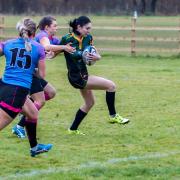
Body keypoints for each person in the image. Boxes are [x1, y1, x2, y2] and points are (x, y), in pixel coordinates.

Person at [60, 16, 129, 135]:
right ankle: (113, 116)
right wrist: (50, 53)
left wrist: (97, 57)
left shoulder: (88, 38)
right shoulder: (67, 39)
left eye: (90, 28)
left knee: (89, 103)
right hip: (77, 77)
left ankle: (72, 129)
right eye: (87, 28)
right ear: (78, 27)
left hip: (84, 74)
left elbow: (93, 53)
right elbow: (59, 49)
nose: (89, 30)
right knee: (111, 86)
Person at [12, 16, 75, 139]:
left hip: (35, 73)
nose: (57, 28)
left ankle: (26, 106)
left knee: (51, 92)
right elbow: (46, 47)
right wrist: (63, 48)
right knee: (40, 101)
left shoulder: (52, 39)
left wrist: (61, 49)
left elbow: (55, 48)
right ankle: (19, 126)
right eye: (55, 26)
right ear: (46, 27)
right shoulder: (42, 36)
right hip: (30, 73)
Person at [0, 18, 52, 156]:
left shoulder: (7, 44)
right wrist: (31, 67)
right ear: (34, 33)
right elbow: (41, 75)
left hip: (4, 85)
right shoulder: (38, 48)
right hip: (17, 92)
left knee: (33, 113)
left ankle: (34, 148)